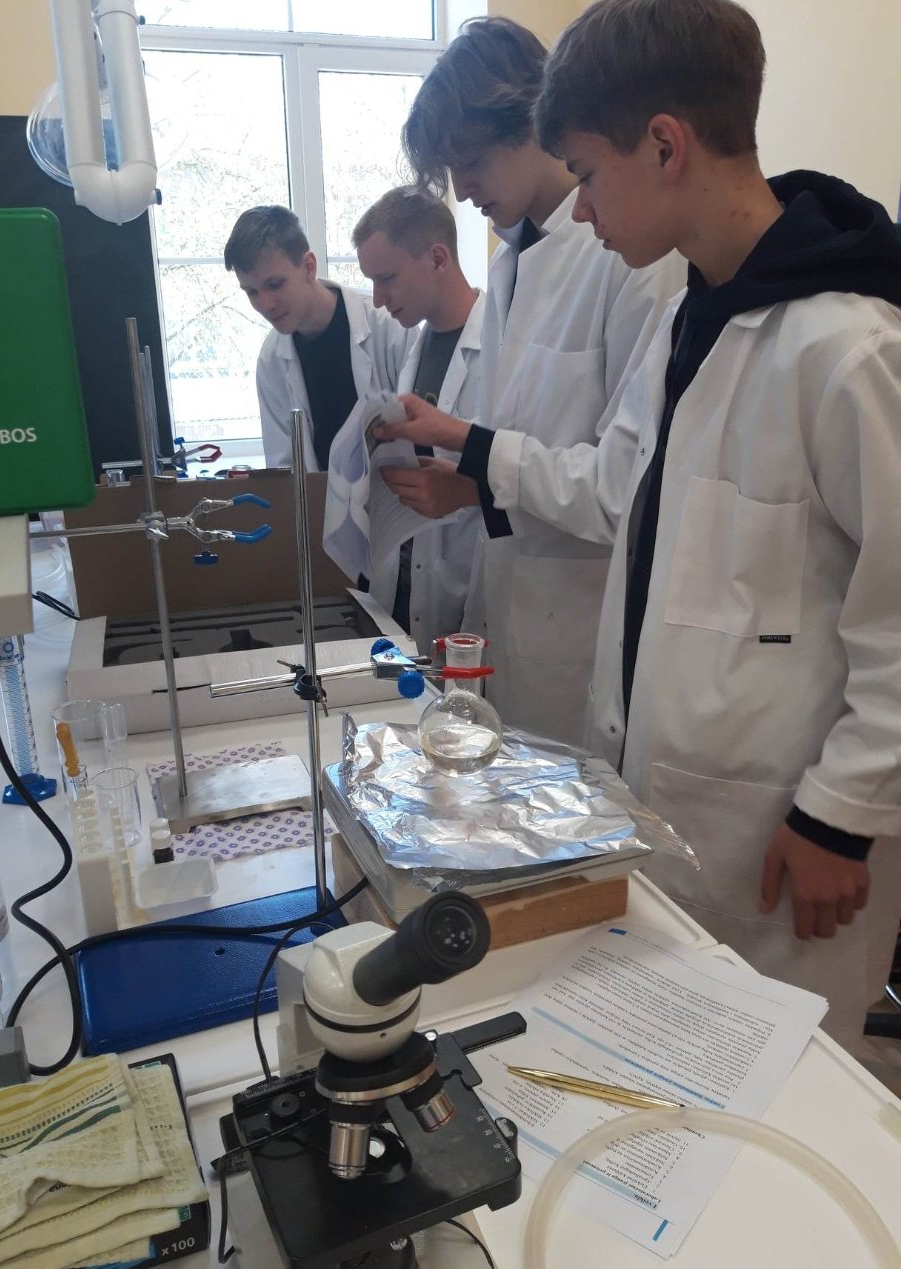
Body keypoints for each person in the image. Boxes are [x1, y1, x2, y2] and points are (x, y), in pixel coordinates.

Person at [380, 0, 901, 1053]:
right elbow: (619, 487)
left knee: (792, 1090)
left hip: (790, 834)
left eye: (585, 173)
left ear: (664, 146)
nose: (579, 207)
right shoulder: (683, 319)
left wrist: (842, 815)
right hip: (670, 806)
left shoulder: (850, 351)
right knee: (682, 1074)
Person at [396, 17, 684, 744]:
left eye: (471, 163)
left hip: (583, 640)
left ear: (531, 122)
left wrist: (474, 448)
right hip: (510, 621)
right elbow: (528, 456)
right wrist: (473, 482)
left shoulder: (633, 260)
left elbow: (626, 491)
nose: (461, 191)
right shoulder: (510, 262)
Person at [352, 187, 484, 651]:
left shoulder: (501, 346)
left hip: (468, 595)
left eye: (387, 278)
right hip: (403, 592)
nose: (378, 299)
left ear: (437, 258)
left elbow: (514, 473)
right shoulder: (415, 346)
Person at [224, 205, 413, 470]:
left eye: (275, 284)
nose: (265, 305)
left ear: (309, 267)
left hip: (400, 491)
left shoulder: (388, 327)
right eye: (251, 292)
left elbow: (423, 437)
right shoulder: (271, 360)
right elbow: (284, 467)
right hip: (317, 496)